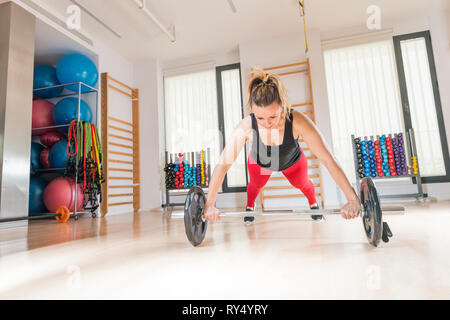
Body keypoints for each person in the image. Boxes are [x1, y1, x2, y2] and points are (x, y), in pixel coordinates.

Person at [204, 69, 361, 222]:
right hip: (261, 162)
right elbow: (222, 165)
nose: (267, 123)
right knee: (255, 185)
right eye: (260, 118)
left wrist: (352, 198)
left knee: (302, 183)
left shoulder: (298, 121)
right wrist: (209, 205)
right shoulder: (246, 127)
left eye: (273, 116)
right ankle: (250, 206)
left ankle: (313, 204)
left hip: (291, 161)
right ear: (252, 110)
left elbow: (328, 159)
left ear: (283, 106)